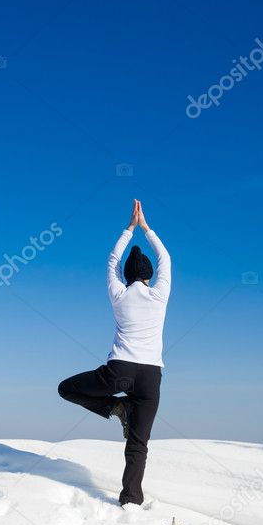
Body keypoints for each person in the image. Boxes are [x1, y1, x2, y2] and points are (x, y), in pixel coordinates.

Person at [57, 199, 171, 506]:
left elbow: (111, 261)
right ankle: (131, 499)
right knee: (138, 443)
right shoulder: (159, 295)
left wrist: (128, 229)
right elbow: (165, 258)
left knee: (66, 389)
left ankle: (116, 409)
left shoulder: (119, 294)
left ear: (127, 275)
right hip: (150, 376)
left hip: (119, 373)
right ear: (148, 276)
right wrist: (145, 228)